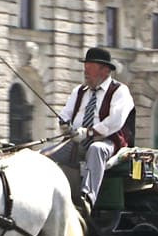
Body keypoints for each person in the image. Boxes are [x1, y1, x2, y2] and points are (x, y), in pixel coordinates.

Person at [50, 47, 135, 215]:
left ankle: (88, 198)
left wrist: (89, 132)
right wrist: (65, 125)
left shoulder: (120, 91)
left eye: (90, 66)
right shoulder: (79, 91)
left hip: (108, 142)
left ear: (104, 70)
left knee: (96, 149)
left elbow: (114, 122)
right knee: (45, 156)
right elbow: (65, 113)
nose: (85, 71)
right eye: (85, 66)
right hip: (76, 141)